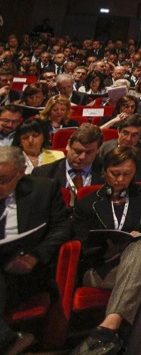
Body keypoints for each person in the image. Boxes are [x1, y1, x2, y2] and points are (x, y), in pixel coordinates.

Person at [69, 146, 141, 355]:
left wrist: (138, 234)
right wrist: (105, 250)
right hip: (104, 267)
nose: (120, 179)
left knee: (139, 247)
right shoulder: (88, 203)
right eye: (115, 174)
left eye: (127, 174)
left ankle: (108, 326)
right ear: (104, 171)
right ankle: (122, 341)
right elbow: (80, 242)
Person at [0, 145, 71, 354]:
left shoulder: (43, 189)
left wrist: (35, 256)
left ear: (21, 173)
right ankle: (7, 339)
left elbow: (62, 228)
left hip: (26, 269)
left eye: (4, 180)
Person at [32, 122, 104, 201]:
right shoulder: (43, 174)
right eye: (78, 151)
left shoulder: (108, 173)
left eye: (89, 152)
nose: (82, 157)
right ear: (68, 145)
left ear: (97, 151)